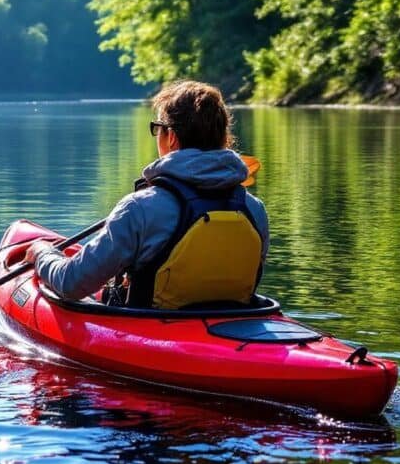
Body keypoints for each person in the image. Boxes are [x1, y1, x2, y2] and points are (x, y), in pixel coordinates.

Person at [25, 80, 269, 308]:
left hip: (154, 332)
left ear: (171, 137)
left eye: (157, 128)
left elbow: (71, 283)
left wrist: (42, 253)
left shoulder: (139, 208)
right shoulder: (254, 209)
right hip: (236, 327)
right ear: (224, 138)